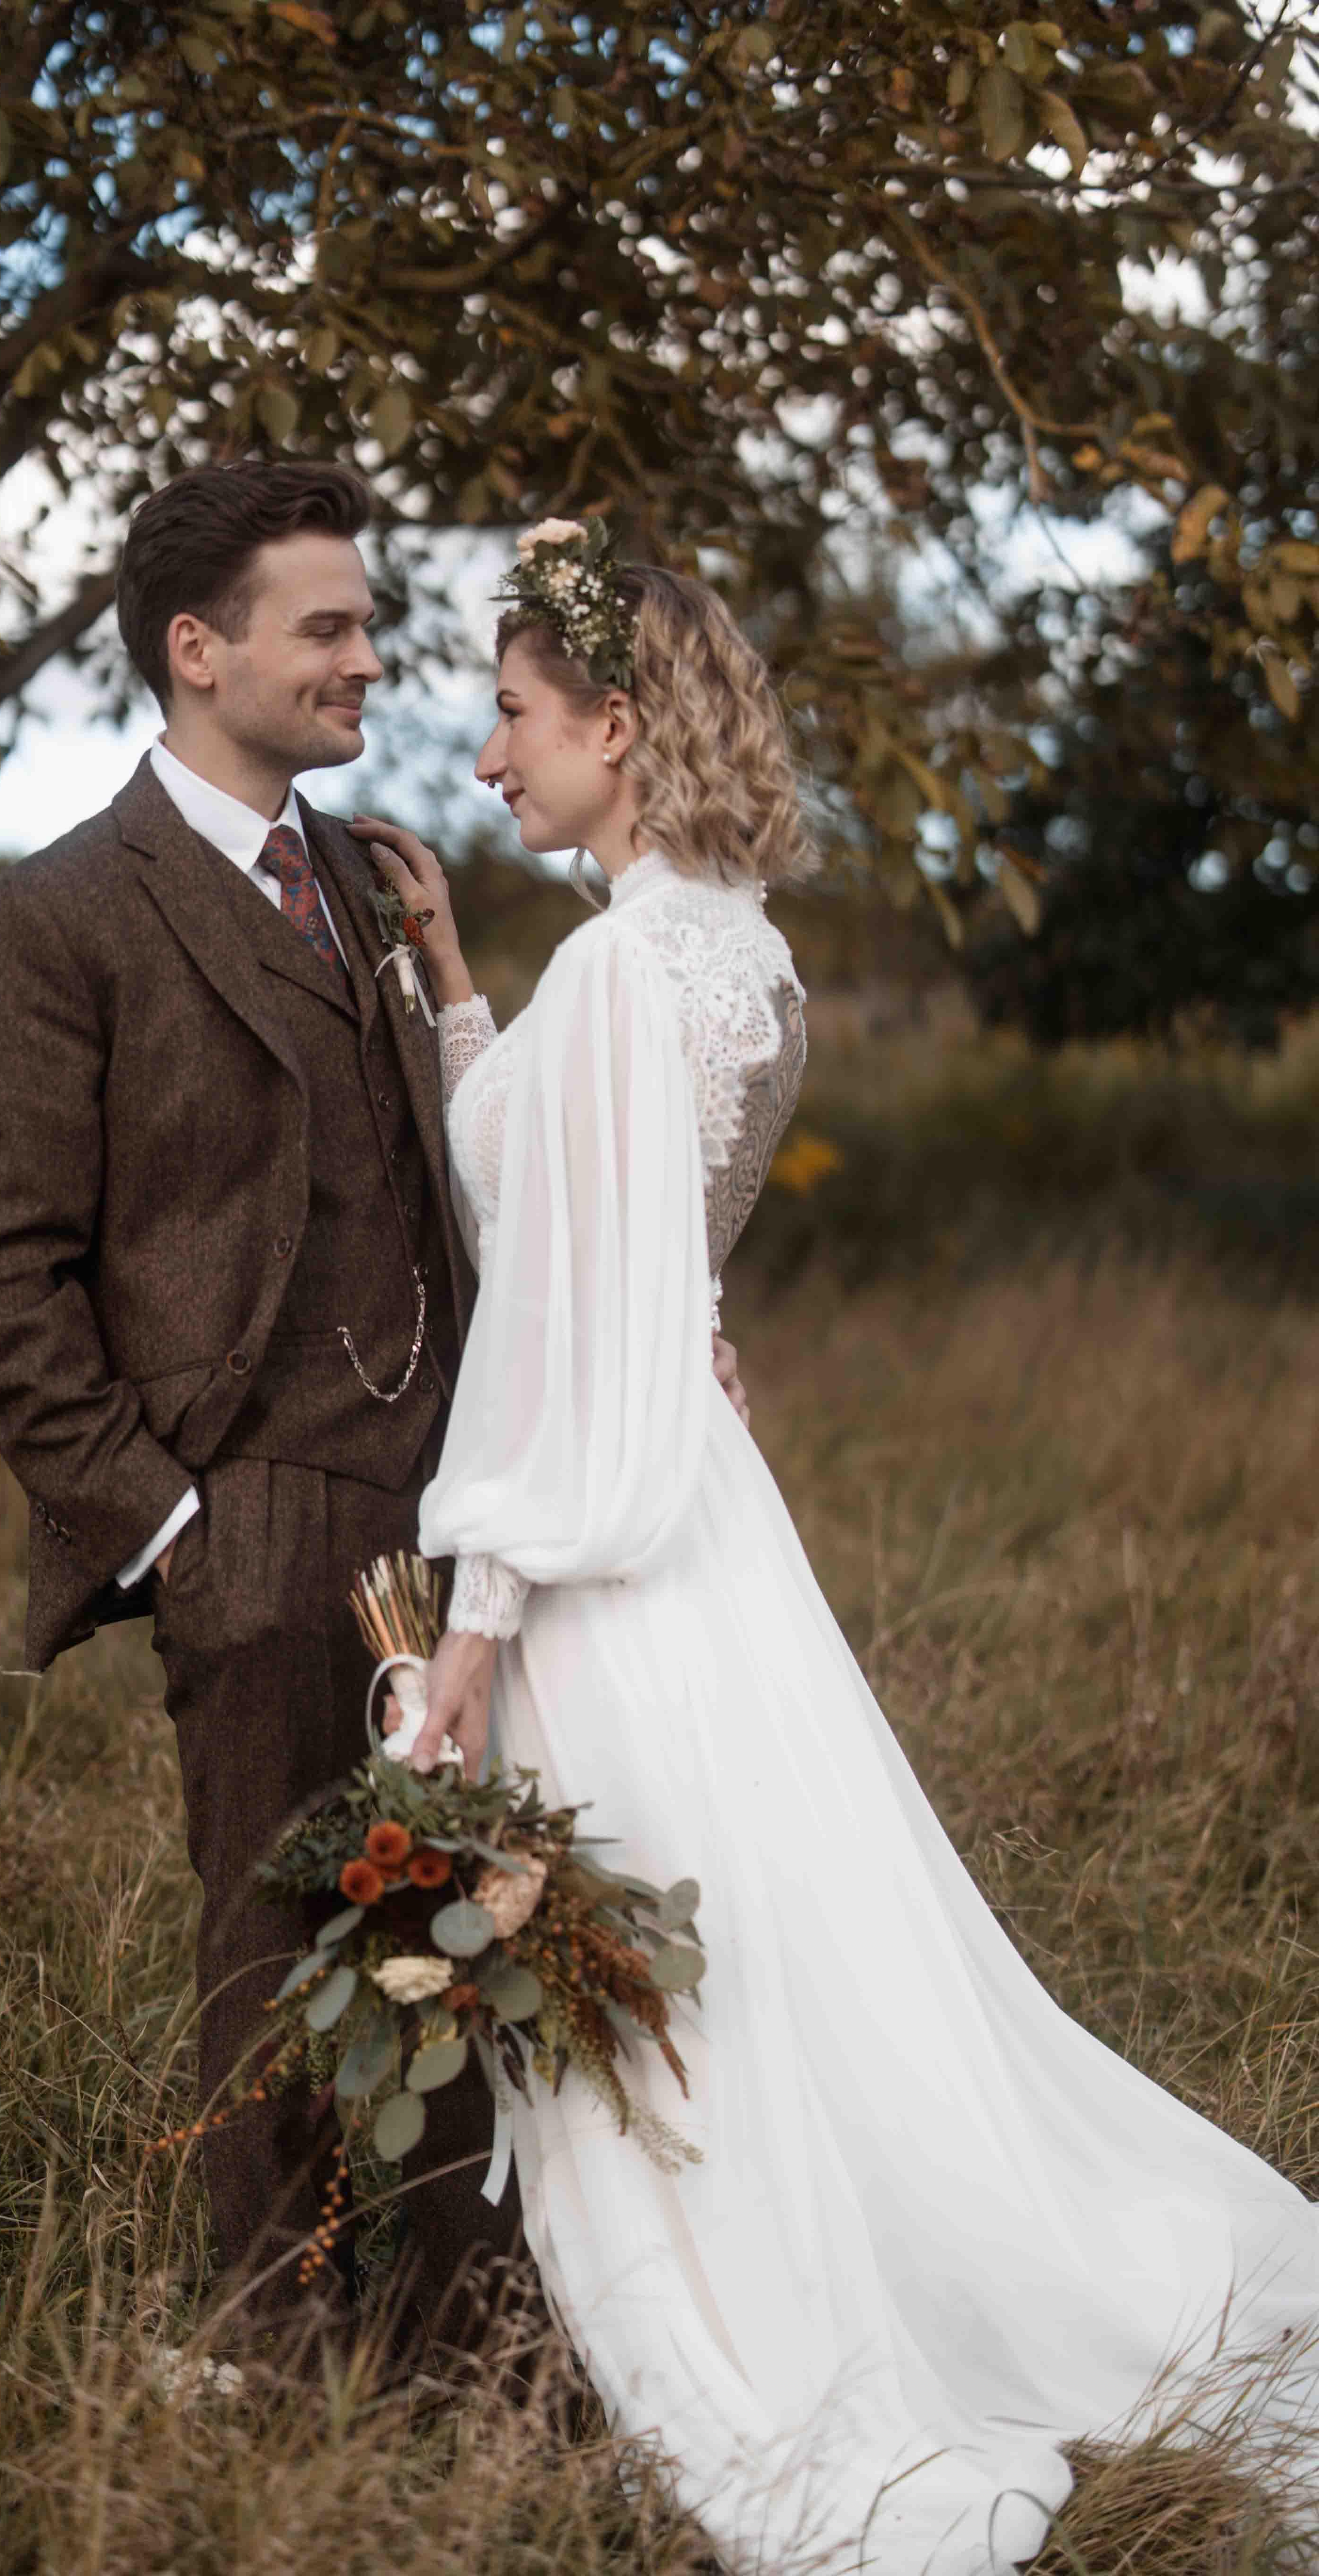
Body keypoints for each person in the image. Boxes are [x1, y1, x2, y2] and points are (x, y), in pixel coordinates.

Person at [364, 519, 1319, 2571]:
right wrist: (453, 981)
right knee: (794, 1939)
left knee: (683, 1966)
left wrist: (475, 1620)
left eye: (516, 719)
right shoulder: (739, 950)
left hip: (608, 1536)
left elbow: (552, 1318)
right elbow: (581, 1213)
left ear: (617, 728)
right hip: (706, 1506)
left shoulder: (628, 969)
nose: (487, 760)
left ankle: (762, 2350)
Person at [0, 464, 750, 2364]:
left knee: (477, 1943)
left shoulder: (369, 880)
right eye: (332, 629)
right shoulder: (61, 919)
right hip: (250, 1525)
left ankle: (470, 2364)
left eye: (372, 625)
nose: (375, 661)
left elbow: (486, 1179)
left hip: (464, 1516)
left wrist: (653, 1321)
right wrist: (168, 1527)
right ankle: (275, 2371)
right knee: (278, 1964)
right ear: (197, 651)